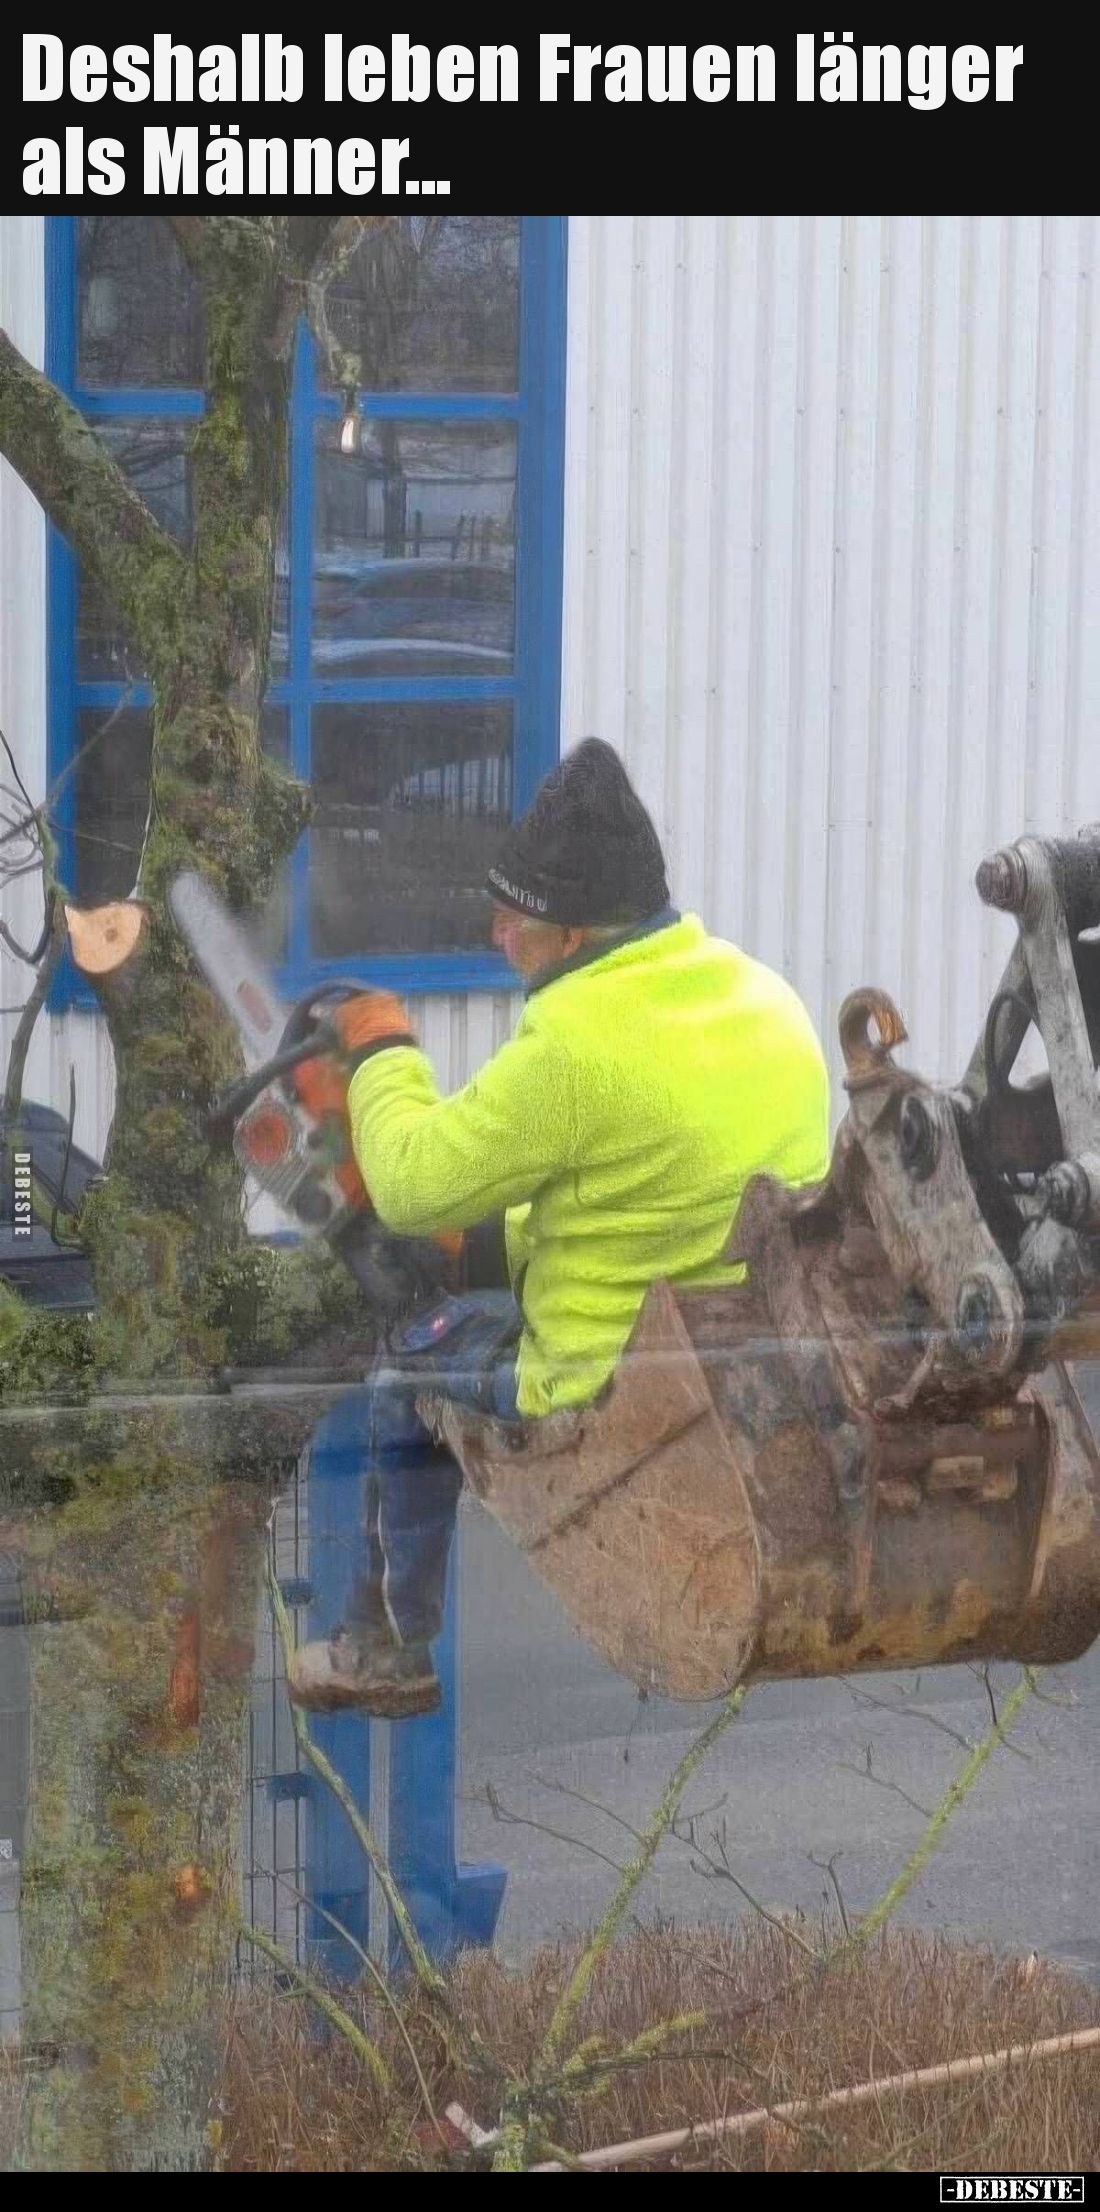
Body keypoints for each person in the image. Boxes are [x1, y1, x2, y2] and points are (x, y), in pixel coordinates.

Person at [287, 738, 830, 1718]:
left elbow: (408, 1182)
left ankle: (384, 1647)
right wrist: (484, 1244)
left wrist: (380, 1052)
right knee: (479, 1256)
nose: (497, 934)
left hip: (600, 1387)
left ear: (573, 934)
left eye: (514, 921)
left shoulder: (574, 1043)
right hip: (740, 1363)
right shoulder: (759, 996)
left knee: (402, 1369)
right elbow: (637, 1175)